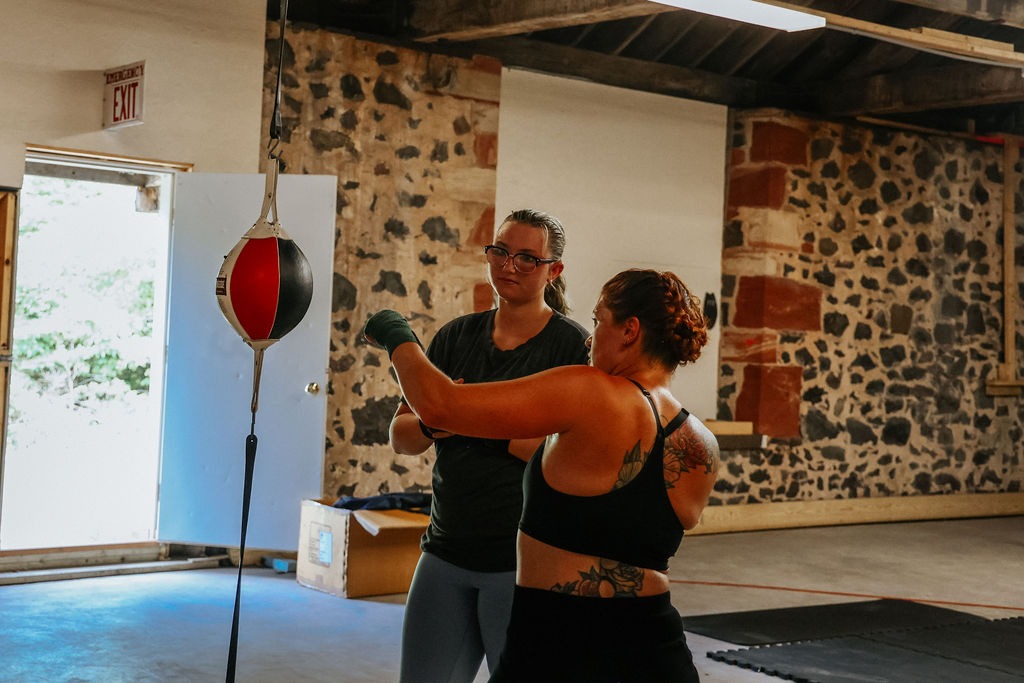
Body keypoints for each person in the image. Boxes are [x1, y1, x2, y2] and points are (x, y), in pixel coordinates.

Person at [365, 268, 720, 682]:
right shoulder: (701, 444)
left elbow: (438, 405)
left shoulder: (589, 391)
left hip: (558, 643)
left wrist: (394, 332)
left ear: (630, 331)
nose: (589, 339)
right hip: (657, 648)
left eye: (598, 321)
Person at [389, 209, 590, 682]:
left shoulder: (572, 348)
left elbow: (566, 457)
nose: (509, 265)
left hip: (523, 564)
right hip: (445, 552)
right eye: (500, 251)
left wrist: (463, 416)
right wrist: (437, 425)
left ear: (553, 270)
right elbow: (401, 436)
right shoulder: (455, 337)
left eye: (527, 257)